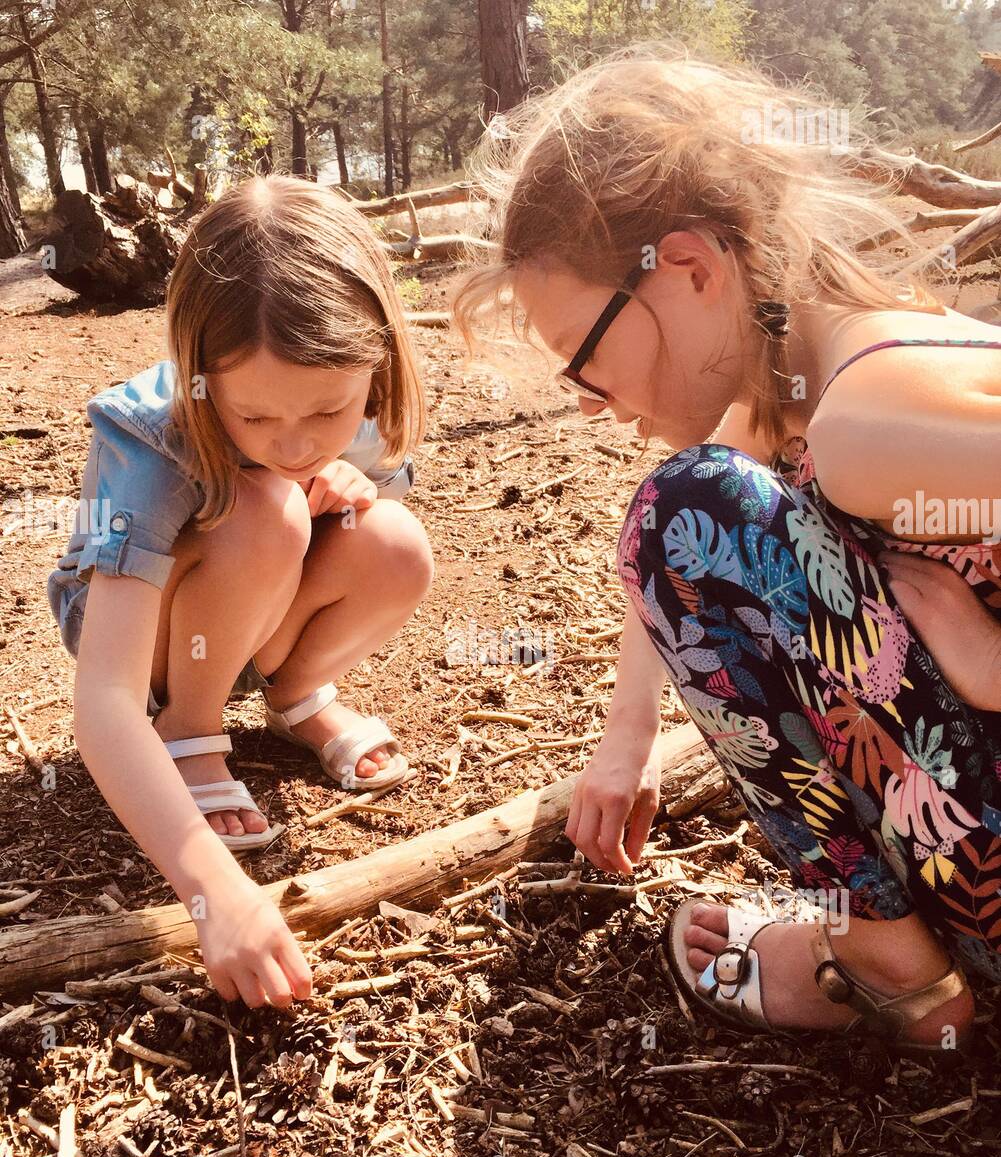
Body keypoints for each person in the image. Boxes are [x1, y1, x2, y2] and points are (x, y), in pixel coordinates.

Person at [450, 43, 1001, 1052]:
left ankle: (882, 965)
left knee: (684, 508)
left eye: (583, 357)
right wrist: (625, 739)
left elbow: (682, 528)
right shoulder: (808, 390)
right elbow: (683, 565)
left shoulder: (864, 423)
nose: (588, 401)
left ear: (689, 269)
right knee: (693, 514)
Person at [47, 175, 434, 1009]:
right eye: (253, 419)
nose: (293, 442)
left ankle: (294, 698)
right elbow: (104, 698)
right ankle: (189, 727)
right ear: (198, 376)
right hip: (145, 639)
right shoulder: (152, 442)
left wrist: (342, 489)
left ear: (377, 360)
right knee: (265, 507)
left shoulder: (355, 406)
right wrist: (211, 892)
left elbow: (348, 525)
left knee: (395, 545)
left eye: (326, 414)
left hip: (249, 611)